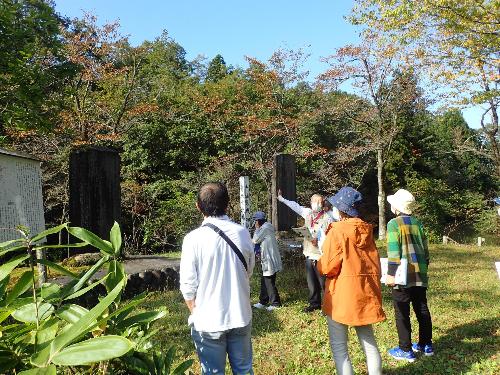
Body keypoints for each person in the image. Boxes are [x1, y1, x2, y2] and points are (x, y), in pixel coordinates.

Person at [180, 182, 255, 374]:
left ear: (198, 206)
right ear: (227, 205)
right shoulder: (243, 233)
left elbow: (188, 286)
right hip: (240, 314)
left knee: (213, 372)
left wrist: (196, 312)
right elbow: (249, 270)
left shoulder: (192, 239)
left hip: (208, 320)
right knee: (244, 370)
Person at [317, 186, 386, 375]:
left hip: (341, 297)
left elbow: (328, 266)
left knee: (340, 348)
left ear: (341, 210)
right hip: (364, 294)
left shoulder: (337, 231)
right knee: (369, 344)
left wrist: (319, 261)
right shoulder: (367, 231)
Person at [385, 189, 433, 362]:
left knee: (402, 311)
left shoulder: (393, 224)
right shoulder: (417, 223)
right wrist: (424, 267)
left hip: (401, 275)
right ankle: (426, 344)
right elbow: (425, 251)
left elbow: (393, 252)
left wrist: (390, 275)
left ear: (396, 207)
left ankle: (405, 350)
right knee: (422, 308)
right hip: (420, 273)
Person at [277, 189, 331, 312]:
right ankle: (314, 304)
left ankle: (328, 305)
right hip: (309, 253)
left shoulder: (327, 217)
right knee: (311, 282)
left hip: (321, 255)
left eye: (317, 201)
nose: (314, 203)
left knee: (323, 283)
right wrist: (281, 199)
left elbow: (330, 236)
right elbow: (294, 206)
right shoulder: (308, 213)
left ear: (322, 203)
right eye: (313, 201)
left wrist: (320, 241)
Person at [251, 211, 283, 311]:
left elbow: (255, 240)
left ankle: (276, 303)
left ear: (258, 221)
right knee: (264, 280)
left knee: (269, 281)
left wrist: (256, 229)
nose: (255, 223)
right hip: (267, 258)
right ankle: (263, 301)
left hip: (269, 259)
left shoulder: (265, 228)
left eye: (255, 221)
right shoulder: (265, 227)